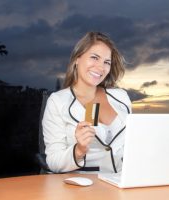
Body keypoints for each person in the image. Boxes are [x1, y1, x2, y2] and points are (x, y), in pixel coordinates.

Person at [42, 32, 132, 173]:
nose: (101, 67)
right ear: (77, 59)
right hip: (82, 188)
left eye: (106, 62)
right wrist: (79, 150)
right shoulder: (57, 101)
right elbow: (53, 161)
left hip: (122, 182)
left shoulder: (121, 97)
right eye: (94, 58)